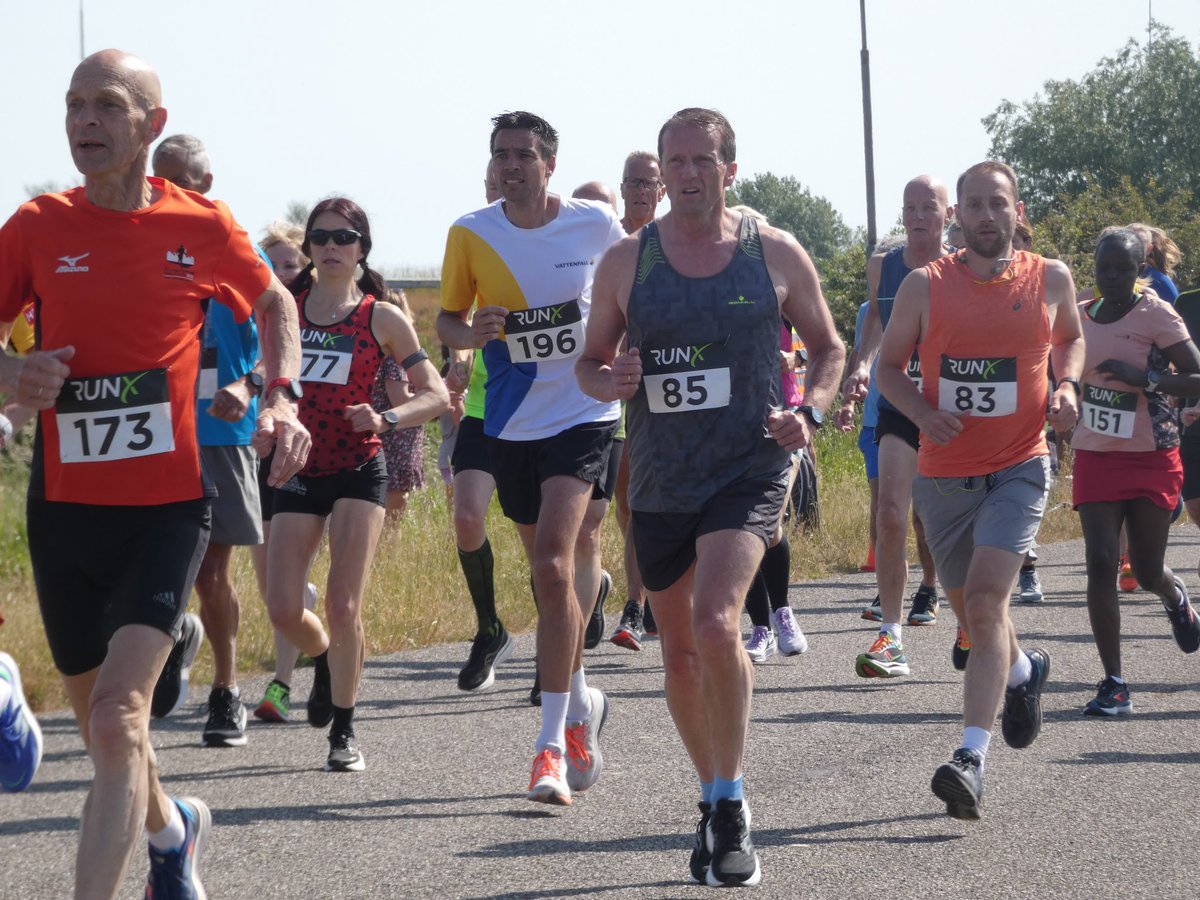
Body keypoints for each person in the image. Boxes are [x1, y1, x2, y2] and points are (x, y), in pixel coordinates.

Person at [0, 49, 309, 898]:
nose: (83, 122)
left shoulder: (199, 225)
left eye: (105, 105)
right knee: (106, 735)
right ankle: (175, 834)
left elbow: (275, 301)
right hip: (64, 510)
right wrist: (10, 372)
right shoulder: (36, 226)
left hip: (168, 508)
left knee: (116, 716)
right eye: (72, 105)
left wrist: (279, 396)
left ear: (152, 125)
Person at [578, 107, 844, 886]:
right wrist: (610, 378)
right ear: (662, 173)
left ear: (730, 168)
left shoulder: (774, 253)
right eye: (675, 161)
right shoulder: (629, 262)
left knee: (716, 620)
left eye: (702, 160)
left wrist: (811, 412)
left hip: (750, 465)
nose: (687, 174)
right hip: (662, 477)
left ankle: (731, 804)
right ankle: (709, 790)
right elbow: (591, 364)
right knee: (682, 655)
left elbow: (828, 348)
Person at [877, 160, 1084, 820]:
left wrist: (1066, 384)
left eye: (999, 203)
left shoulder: (1049, 278)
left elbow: (1072, 338)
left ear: (1017, 210)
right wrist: (921, 411)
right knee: (973, 618)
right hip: (942, 475)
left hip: (1019, 466)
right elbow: (887, 369)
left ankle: (970, 758)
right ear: (957, 217)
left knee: (991, 601)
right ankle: (1024, 673)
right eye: (975, 205)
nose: (987, 215)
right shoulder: (923, 286)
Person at [439, 111, 623, 805]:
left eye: (523, 154)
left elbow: (631, 295)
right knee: (548, 578)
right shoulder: (471, 233)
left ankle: (548, 746)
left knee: (554, 562)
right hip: (511, 420)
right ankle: (580, 703)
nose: (511, 165)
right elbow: (448, 320)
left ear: (549, 162)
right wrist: (470, 330)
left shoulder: (596, 225)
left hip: (583, 411)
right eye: (500, 154)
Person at [265, 197, 449, 772]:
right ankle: (323, 658)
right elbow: (253, 372)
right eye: (320, 237)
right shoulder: (283, 308)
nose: (330, 246)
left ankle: (343, 729)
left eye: (343, 237)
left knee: (344, 605)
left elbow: (436, 395)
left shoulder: (380, 317)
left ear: (362, 247)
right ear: (308, 248)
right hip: (294, 470)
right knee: (282, 609)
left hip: (357, 468)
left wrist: (386, 418)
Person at [150, 134, 264, 748]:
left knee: (211, 573)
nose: (169, 192)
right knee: (143, 565)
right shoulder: (141, 245)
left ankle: (226, 690)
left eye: (182, 181)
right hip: (153, 429)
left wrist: (252, 386)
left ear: (207, 182)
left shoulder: (233, 250)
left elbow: (280, 335)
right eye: (158, 180)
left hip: (220, 429)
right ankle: (170, 639)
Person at [1072, 228, 1200, 715]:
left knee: (1145, 571)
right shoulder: (1080, 318)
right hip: (1096, 455)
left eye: (1123, 270)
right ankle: (1114, 681)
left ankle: (1174, 596)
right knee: (1102, 563)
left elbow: (1196, 375)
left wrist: (1145, 379)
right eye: (1105, 269)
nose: (1113, 278)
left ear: (1140, 268)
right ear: (1096, 268)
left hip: (1151, 455)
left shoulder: (1156, 314)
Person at [841, 176, 950, 680]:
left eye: (929, 206)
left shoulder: (963, 267)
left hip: (954, 404)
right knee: (890, 512)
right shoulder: (886, 266)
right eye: (911, 206)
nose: (919, 215)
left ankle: (973, 615)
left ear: (947, 214)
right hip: (900, 399)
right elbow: (878, 325)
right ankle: (891, 635)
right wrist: (862, 365)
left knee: (949, 519)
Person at [445, 162, 517, 694]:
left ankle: (557, 659)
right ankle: (489, 627)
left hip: (544, 410)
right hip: (483, 407)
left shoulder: (549, 243)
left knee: (546, 541)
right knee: (467, 517)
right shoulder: (472, 238)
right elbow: (453, 320)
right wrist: (465, 346)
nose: (498, 193)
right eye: (491, 184)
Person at [251, 220, 316, 723]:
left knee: (289, 580)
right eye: (271, 266)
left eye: (290, 265)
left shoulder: (326, 315)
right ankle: (313, 632)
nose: (281, 275)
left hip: (312, 455)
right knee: (271, 587)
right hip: (257, 453)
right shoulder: (249, 317)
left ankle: (282, 683)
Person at [610, 151, 667, 651]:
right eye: (632, 182)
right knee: (626, 505)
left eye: (649, 182)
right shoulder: (609, 240)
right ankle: (641, 597)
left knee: (644, 502)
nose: (640, 190)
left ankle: (637, 603)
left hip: (659, 390)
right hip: (611, 387)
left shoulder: (673, 242)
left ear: (662, 190)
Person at [372, 288, 428, 517]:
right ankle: (386, 552)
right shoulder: (396, 357)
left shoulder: (375, 351)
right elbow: (400, 400)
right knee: (394, 511)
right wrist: (431, 400)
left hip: (386, 436)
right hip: (397, 439)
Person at [1128, 222, 1182, 305]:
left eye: (1139, 244)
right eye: (1129, 242)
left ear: (1149, 249)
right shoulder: (1111, 274)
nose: (1133, 247)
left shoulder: (1159, 280)